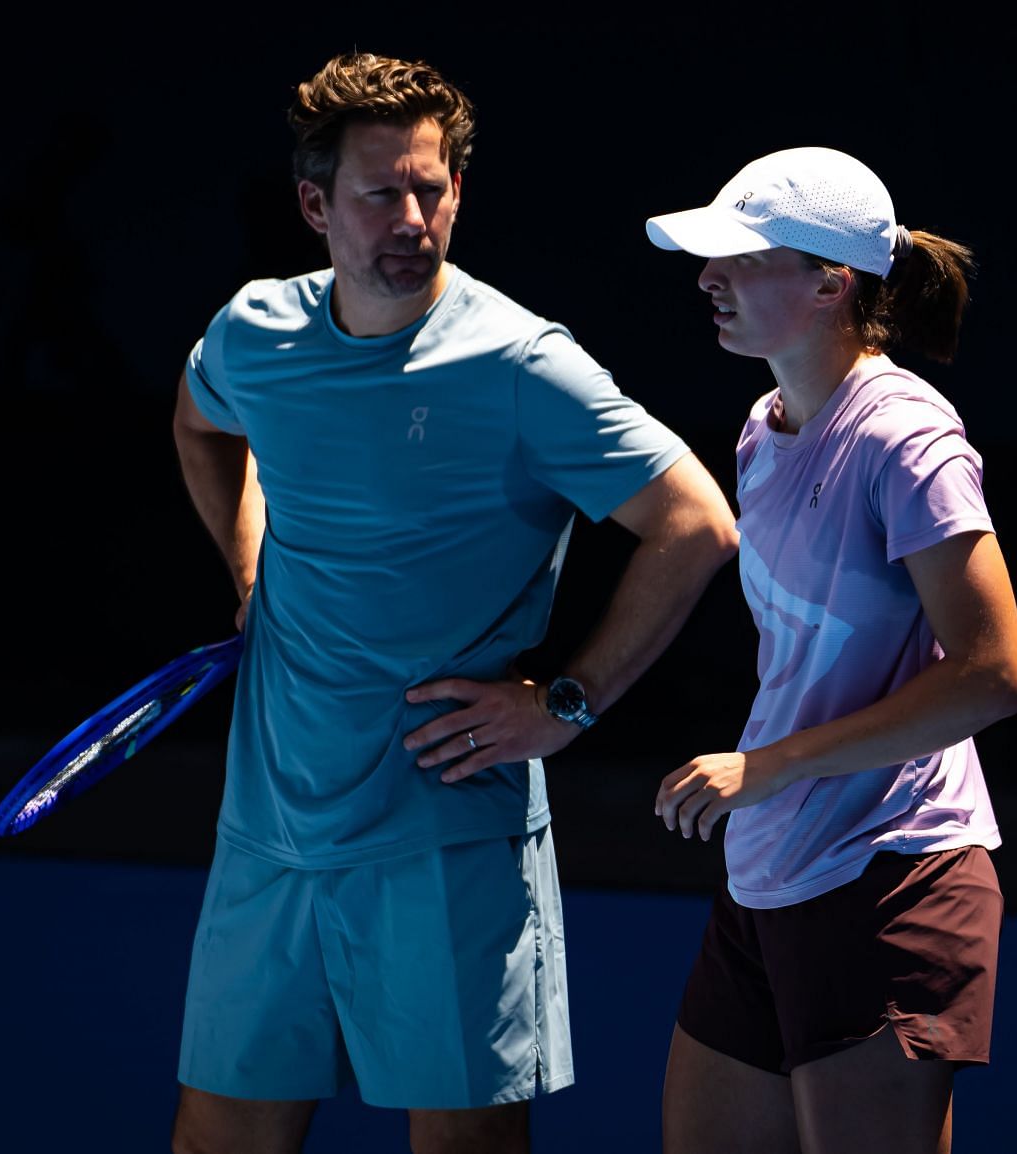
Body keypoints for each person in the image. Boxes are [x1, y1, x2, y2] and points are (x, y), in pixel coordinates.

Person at [168, 52, 739, 1154]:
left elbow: (696, 523)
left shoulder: (524, 365)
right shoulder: (254, 334)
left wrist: (567, 700)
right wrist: (250, 574)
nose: (414, 215)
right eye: (383, 192)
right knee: (216, 1140)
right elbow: (201, 423)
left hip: (447, 832)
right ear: (315, 204)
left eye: (434, 187)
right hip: (270, 831)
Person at [644, 146, 1017, 1154]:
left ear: (830, 281)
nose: (707, 278)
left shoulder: (905, 437)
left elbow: (993, 675)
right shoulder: (762, 430)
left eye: (742, 258)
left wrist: (768, 765)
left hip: (892, 873)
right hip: (771, 867)